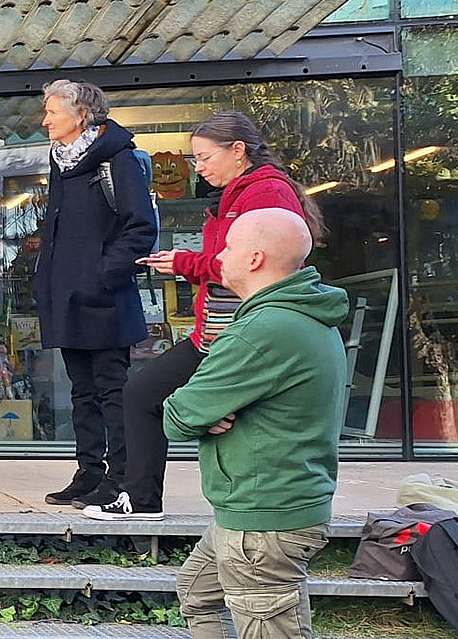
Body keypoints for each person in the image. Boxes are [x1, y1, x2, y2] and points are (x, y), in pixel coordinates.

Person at [162, 208, 348, 639]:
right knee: (196, 590)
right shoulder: (300, 317)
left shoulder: (267, 327)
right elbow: (200, 406)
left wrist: (202, 408)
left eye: (230, 244)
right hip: (254, 509)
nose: (220, 254)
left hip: (262, 523)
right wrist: (211, 406)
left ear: (260, 260)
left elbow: (179, 411)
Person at [85, 110, 322, 521]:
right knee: (145, 395)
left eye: (205, 157)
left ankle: (146, 498)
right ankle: (141, 498)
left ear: (238, 151)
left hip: (241, 331)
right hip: (216, 329)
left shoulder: (264, 195)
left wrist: (186, 264)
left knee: (151, 398)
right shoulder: (239, 193)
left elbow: (254, 266)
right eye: (195, 159)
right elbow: (233, 261)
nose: (199, 167)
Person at [32, 80, 156, 508]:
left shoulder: (117, 159)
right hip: (65, 297)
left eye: (52, 111)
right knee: (81, 390)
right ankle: (89, 471)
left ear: (81, 113)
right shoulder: (62, 160)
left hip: (104, 298)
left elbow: (141, 227)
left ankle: (120, 477)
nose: (45, 120)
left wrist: (103, 275)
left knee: (112, 389)